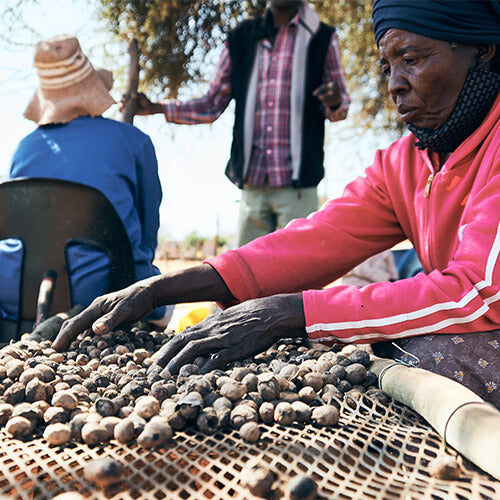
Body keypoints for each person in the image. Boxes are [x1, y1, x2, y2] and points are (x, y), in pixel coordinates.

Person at [54, 0, 500, 409]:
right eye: (386, 66)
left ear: (482, 50)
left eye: (413, 59)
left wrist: (290, 313)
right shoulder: (403, 163)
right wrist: (160, 289)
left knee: (417, 358)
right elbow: (312, 242)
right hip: (256, 179)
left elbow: (479, 292)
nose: (395, 85)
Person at [126, 0, 350, 246]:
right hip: (252, 185)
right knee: (246, 275)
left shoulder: (322, 37)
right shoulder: (241, 39)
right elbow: (211, 104)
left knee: (301, 274)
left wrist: (335, 100)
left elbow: (340, 108)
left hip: (299, 185)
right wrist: (159, 108)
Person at [0, 34, 174, 328]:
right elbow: (146, 236)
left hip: (18, 296)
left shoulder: (24, 147)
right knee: (164, 307)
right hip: (108, 293)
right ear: (94, 89)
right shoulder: (134, 141)